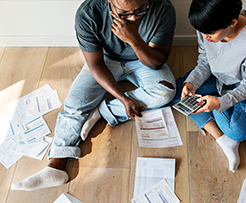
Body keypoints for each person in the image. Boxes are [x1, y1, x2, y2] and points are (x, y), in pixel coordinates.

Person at [11, 0, 176, 191]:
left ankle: (102, 111)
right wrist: (123, 98)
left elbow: (156, 62)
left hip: (144, 59)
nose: (132, 17)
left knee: (166, 92)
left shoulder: (163, 8)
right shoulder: (88, 14)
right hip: (106, 60)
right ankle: (56, 164)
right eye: (124, 13)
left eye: (140, 10)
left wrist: (134, 40)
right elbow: (95, 65)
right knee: (75, 103)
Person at [172, 0, 246, 172]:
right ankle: (223, 139)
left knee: (237, 130)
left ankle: (226, 129)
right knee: (176, 90)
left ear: (232, 22)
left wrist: (220, 102)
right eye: (202, 32)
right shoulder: (207, 26)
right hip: (220, 79)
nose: (205, 37)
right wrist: (192, 82)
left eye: (210, 34)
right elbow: (205, 61)